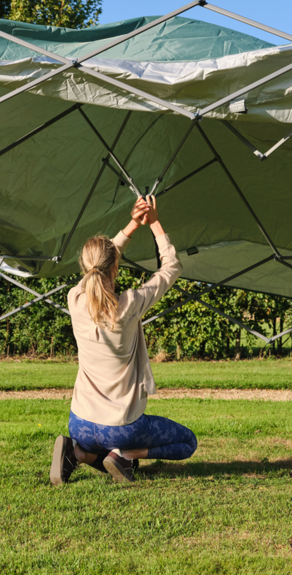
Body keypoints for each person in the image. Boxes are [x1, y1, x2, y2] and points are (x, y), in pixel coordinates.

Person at [50, 193, 197, 485]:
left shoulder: (75, 299)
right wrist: (153, 223)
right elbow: (171, 268)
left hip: (79, 422)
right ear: (115, 268)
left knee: (98, 446)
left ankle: (77, 453)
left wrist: (131, 225)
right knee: (187, 442)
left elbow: (101, 262)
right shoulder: (128, 306)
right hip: (121, 428)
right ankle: (125, 456)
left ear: (84, 266)